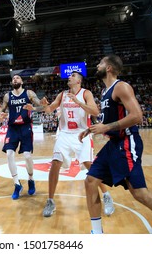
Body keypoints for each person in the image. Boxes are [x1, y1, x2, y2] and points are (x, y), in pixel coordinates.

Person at [79, 55, 152, 234]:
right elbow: (107, 119)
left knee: (139, 193)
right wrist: (92, 129)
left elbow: (137, 116)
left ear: (108, 68)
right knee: (91, 181)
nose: (97, 65)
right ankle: (97, 234)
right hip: (113, 143)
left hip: (126, 142)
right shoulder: (105, 92)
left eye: (100, 63)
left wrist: (106, 127)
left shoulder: (121, 87)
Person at [40, 72, 114, 217]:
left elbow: (95, 111)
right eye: (69, 76)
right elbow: (50, 109)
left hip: (82, 133)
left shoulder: (86, 93)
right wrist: (44, 106)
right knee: (55, 163)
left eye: (73, 76)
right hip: (65, 134)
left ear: (79, 81)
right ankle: (50, 200)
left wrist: (78, 102)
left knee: (89, 165)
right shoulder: (62, 94)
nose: (69, 77)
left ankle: (106, 195)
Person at [0, 74, 43, 200]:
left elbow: (42, 106)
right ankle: (17, 184)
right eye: (13, 78)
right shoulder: (7, 96)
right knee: (9, 154)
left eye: (17, 78)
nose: (15, 79)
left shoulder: (29, 93)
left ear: (22, 81)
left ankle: (30, 179)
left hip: (25, 127)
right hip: (12, 128)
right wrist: (1, 114)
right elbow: (2, 110)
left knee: (27, 155)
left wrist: (34, 107)